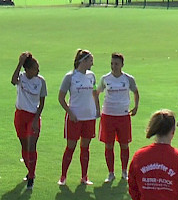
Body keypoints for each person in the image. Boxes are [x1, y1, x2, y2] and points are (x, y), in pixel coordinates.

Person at [58, 49, 101, 185]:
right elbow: (61, 98)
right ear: (83, 61)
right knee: (71, 147)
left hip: (89, 117)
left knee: (85, 147)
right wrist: (70, 112)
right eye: (90, 61)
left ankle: (84, 176)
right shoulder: (70, 77)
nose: (92, 64)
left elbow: (94, 93)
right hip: (75, 118)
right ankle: (63, 176)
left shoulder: (91, 76)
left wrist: (97, 109)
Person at [97, 52, 139, 182]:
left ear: (122, 64)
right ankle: (110, 173)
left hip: (123, 115)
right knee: (109, 145)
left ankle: (124, 171)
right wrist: (98, 109)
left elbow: (136, 92)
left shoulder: (128, 79)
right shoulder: (105, 79)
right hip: (108, 115)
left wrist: (136, 106)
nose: (113, 66)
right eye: (112, 64)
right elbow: (96, 92)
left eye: (116, 64)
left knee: (124, 144)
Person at [11, 52, 47, 189]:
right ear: (27, 69)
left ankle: (31, 176)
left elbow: (42, 103)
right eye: (35, 68)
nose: (38, 70)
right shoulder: (21, 78)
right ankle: (29, 170)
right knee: (24, 146)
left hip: (33, 116)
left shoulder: (41, 81)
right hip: (20, 116)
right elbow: (13, 80)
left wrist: (36, 120)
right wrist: (20, 62)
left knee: (32, 146)